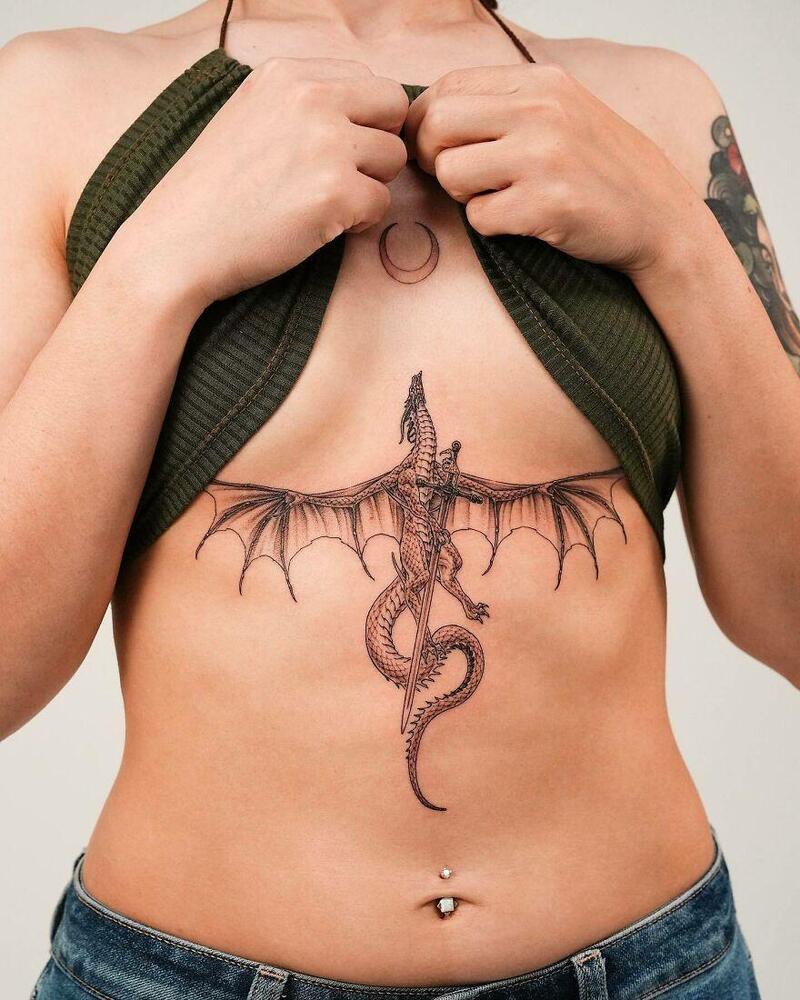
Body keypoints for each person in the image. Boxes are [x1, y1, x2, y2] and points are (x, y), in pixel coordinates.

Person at [2, 1, 797, 997]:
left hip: (652, 969)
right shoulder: (54, 100)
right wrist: (158, 260)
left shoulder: (656, 104)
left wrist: (677, 241)